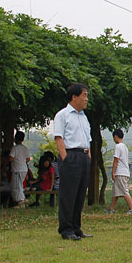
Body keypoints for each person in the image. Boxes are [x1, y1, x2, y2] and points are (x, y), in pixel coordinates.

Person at [53, 83, 93, 241]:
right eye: (84, 95)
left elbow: (87, 140)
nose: (86, 99)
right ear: (74, 97)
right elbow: (59, 138)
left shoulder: (84, 117)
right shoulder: (62, 115)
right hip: (71, 155)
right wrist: (66, 159)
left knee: (80, 194)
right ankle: (66, 229)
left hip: (83, 156)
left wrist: (88, 157)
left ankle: (76, 228)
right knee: (68, 194)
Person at [107, 129, 132, 215]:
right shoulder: (124, 147)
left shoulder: (118, 146)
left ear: (115, 136)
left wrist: (113, 172)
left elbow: (116, 160)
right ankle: (111, 209)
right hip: (124, 172)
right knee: (115, 192)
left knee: (124, 191)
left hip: (120, 173)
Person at [8, 131, 31, 208]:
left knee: (17, 186)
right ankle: (21, 200)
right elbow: (28, 159)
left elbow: (11, 158)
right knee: (20, 185)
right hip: (24, 169)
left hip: (17, 169)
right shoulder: (25, 148)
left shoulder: (14, 148)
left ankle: (20, 200)